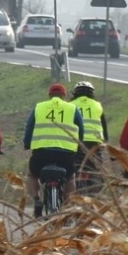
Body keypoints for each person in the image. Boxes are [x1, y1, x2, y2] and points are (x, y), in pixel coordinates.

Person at [23, 83, 84, 218]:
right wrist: (80, 146)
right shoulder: (72, 109)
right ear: (64, 96)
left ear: (49, 96)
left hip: (41, 154)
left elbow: (29, 128)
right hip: (66, 154)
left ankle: (37, 200)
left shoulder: (39, 107)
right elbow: (81, 128)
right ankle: (67, 206)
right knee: (70, 177)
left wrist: (27, 144)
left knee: (32, 175)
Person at [71, 81, 109, 189]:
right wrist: (105, 142)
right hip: (94, 144)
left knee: (72, 170)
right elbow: (104, 128)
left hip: (76, 143)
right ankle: (95, 196)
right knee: (97, 172)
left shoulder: (71, 105)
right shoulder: (98, 106)